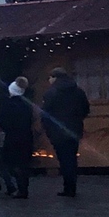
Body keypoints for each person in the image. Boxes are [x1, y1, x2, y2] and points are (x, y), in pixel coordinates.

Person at [41, 67, 91, 197]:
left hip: (57, 131)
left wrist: (48, 129)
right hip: (74, 130)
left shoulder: (50, 93)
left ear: (55, 78)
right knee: (72, 158)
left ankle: (68, 187)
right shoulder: (78, 91)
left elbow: (45, 114)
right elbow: (85, 109)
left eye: (50, 78)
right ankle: (71, 186)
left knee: (63, 159)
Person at [0, 77, 36, 200]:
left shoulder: (9, 105)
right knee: (23, 164)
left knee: (12, 163)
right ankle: (23, 188)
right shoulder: (27, 104)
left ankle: (19, 188)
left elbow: (4, 122)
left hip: (13, 137)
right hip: (26, 136)